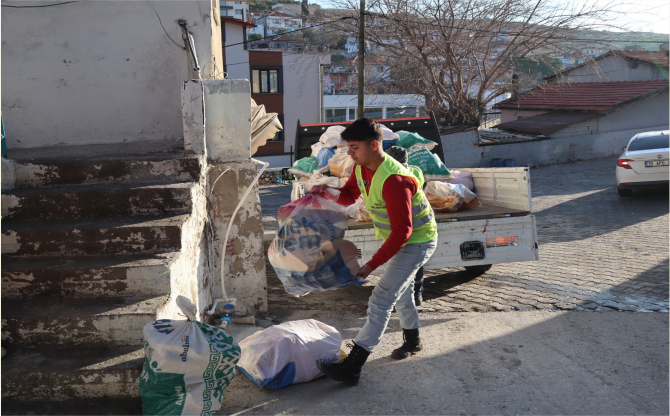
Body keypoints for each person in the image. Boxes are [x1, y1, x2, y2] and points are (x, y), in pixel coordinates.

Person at [314, 118, 438, 386]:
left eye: (354, 147)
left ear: (374, 145)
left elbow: (402, 232)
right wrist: (325, 192)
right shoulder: (361, 167)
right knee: (401, 291)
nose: (350, 152)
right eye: (348, 146)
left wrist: (370, 265)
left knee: (382, 297)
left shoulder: (394, 179)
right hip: (399, 239)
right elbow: (348, 196)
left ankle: (353, 366)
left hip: (417, 241)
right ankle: (414, 341)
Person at [385, 146, 427, 306]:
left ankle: (399, 298)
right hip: (418, 221)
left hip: (399, 224)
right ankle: (417, 294)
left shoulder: (389, 174)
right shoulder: (416, 172)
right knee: (416, 260)